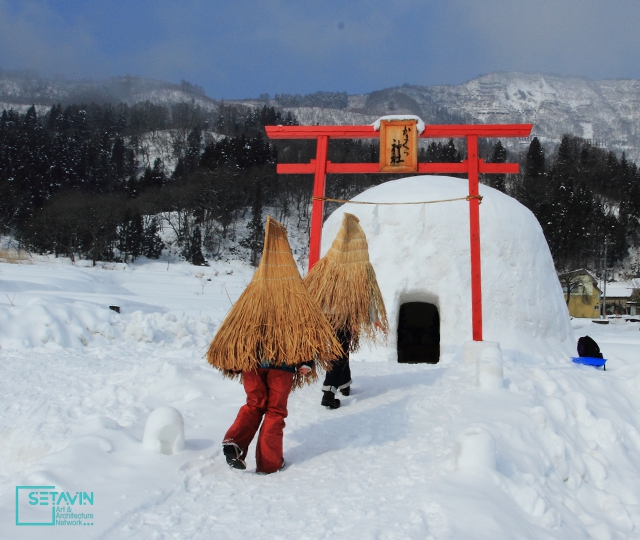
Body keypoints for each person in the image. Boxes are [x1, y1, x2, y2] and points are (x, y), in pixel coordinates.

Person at [206, 217, 341, 473]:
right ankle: (269, 463)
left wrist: (235, 361)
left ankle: (234, 442)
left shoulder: (253, 296)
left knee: (254, 404)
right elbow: (307, 332)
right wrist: (307, 362)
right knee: (275, 411)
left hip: (251, 364)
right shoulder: (295, 298)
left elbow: (235, 332)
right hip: (283, 366)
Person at [304, 213, 388, 409]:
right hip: (344, 317)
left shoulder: (326, 265)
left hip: (324, 315)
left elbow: (311, 289)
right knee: (339, 351)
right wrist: (374, 317)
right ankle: (329, 390)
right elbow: (368, 297)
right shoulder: (361, 270)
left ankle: (345, 383)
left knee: (341, 349)